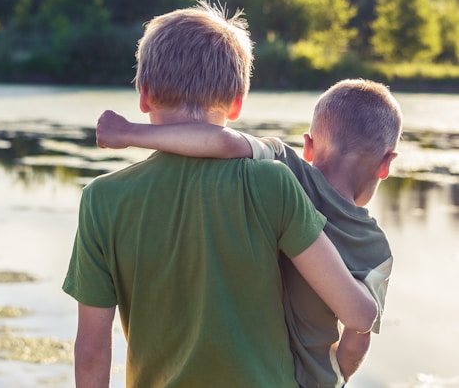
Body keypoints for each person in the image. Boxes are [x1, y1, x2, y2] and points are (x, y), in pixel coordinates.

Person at [64, 1, 377, 388]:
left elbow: (92, 352)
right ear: (237, 103)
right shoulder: (273, 184)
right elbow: (357, 314)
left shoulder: (101, 200)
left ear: (143, 95)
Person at [96, 78, 402, 387]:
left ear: (309, 146)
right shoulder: (376, 249)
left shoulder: (287, 167)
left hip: (249, 366)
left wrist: (131, 133)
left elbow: (223, 142)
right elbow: (356, 342)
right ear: (386, 164)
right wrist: (336, 375)